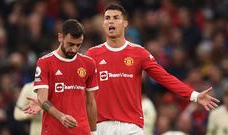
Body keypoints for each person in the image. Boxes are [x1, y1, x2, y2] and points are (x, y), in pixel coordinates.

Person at [85, 3, 220, 135]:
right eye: (107, 18)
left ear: (125, 23)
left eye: (116, 18)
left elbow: (165, 78)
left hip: (131, 126)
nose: (111, 22)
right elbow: (78, 86)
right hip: (102, 126)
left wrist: (194, 95)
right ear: (103, 24)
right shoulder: (92, 54)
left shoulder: (139, 53)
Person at [24, 19, 98, 135]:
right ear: (60, 37)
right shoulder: (45, 62)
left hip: (81, 130)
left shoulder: (89, 63)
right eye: (70, 44)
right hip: (54, 130)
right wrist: (61, 116)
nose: (74, 49)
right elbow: (42, 99)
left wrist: (94, 132)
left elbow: (91, 102)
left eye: (78, 45)